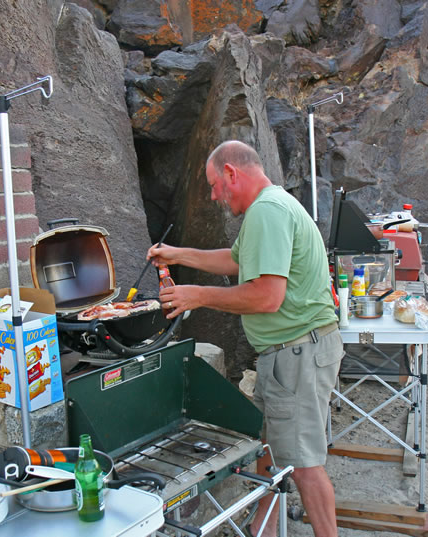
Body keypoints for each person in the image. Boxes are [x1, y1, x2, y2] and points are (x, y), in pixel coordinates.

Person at [147, 140, 343, 537]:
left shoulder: (268, 212)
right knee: (270, 449)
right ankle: (263, 531)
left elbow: (266, 297)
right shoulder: (268, 209)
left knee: (303, 464)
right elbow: (236, 261)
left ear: (232, 173)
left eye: (215, 185)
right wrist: (178, 255)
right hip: (287, 353)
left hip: (299, 352)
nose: (215, 196)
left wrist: (197, 296)